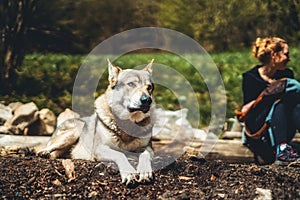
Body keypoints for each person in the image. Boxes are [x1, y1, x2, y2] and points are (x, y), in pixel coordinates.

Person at [242, 37, 300, 165]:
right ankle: (282, 149)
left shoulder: (286, 74)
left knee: (295, 105)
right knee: (281, 103)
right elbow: (248, 110)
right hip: (259, 131)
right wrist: (268, 96)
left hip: (280, 127)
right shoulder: (250, 77)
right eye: (286, 54)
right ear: (274, 55)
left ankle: (283, 148)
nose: (289, 59)